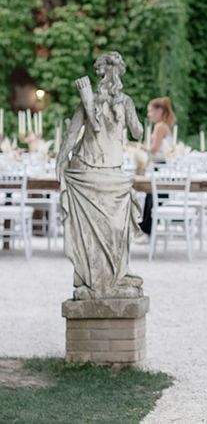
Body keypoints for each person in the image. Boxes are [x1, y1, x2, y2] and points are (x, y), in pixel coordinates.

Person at [56, 51, 144, 299]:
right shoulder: (122, 101)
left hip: (94, 173)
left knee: (100, 232)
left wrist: (61, 160)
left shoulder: (95, 101)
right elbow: (138, 132)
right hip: (102, 174)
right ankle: (106, 279)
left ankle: (101, 279)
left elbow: (71, 136)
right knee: (113, 231)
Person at [138, 97, 176, 236]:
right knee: (149, 195)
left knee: (151, 195)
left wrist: (138, 148)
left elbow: (154, 150)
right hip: (162, 168)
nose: (149, 115)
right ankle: (146, 228)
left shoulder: (160, 127)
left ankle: (147, 229)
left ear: (159, 111)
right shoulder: (164, 126)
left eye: (151, 111)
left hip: (160, 167)